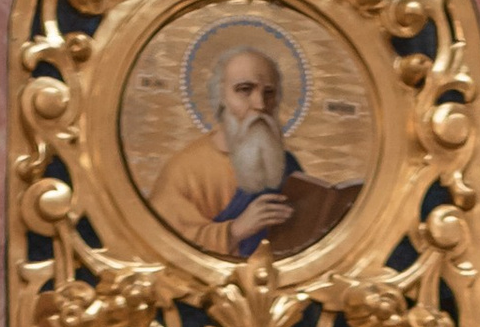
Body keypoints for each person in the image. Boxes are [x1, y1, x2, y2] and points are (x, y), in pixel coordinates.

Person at [148, 41, 356, 265]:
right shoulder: (185, 170)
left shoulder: (285, 164)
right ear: (221, 97)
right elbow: (160, 243)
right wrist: (236, 230)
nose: (260, 104)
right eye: (245, 90)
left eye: (269, 93)